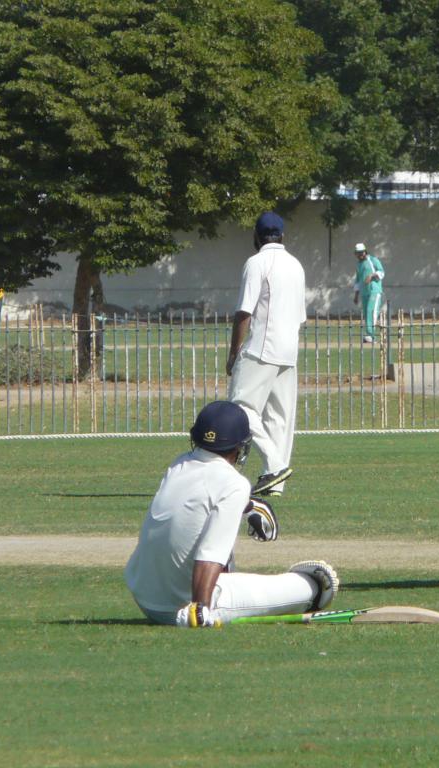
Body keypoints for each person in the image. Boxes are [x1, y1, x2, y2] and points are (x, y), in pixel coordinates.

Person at [124, 400, 339, 628]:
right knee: (318, 582)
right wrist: (200, 609)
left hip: (145, 598)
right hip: (185, 608)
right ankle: (311, 589)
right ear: (240, 446)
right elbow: (210, 554)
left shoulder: (179, 464)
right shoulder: (234, 484)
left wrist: (249, 506)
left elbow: (199, 500)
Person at [226, 212, 304, 497]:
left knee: (241, 409)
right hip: (289, 349)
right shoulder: (296, 265)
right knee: (279, 417)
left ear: (256, 237)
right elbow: (300, 316)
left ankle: (275, 466)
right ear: (282, 236)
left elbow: (244, 311)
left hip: (261, 347)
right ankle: (275, 484)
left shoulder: (256, 262)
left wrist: (234, 353)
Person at [352, 242, 385, 344]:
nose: (360, 255)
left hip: (374, 290)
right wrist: (356, 295)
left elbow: (381, 272)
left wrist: (372, 276)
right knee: (366, 313)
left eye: (361, 252)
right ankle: (369, 335)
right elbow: (358, 280)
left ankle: (371, 335)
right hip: (364, 292)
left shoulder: (373, 260)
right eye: (358, 253)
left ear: (365, 251)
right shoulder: (358, 265)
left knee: (371, 311)